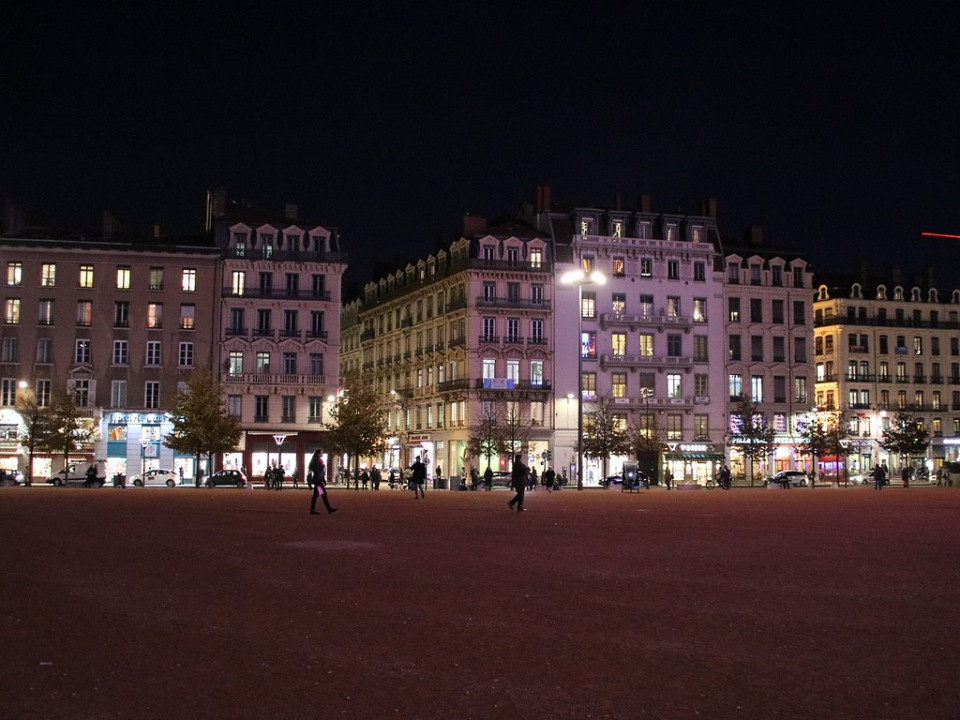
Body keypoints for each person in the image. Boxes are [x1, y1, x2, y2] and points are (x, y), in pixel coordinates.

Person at [308, 450, 338, 515]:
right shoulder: (317, 462)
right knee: (323, 494)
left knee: (316, 495)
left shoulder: (317, 461)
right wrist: (321, 479)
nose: (322, 454)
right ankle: (329, 509)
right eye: (321, 453)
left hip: (318, 480)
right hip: (318, 481)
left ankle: (313, 509)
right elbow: (317, 472)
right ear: (318, 454)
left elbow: (319, 472)